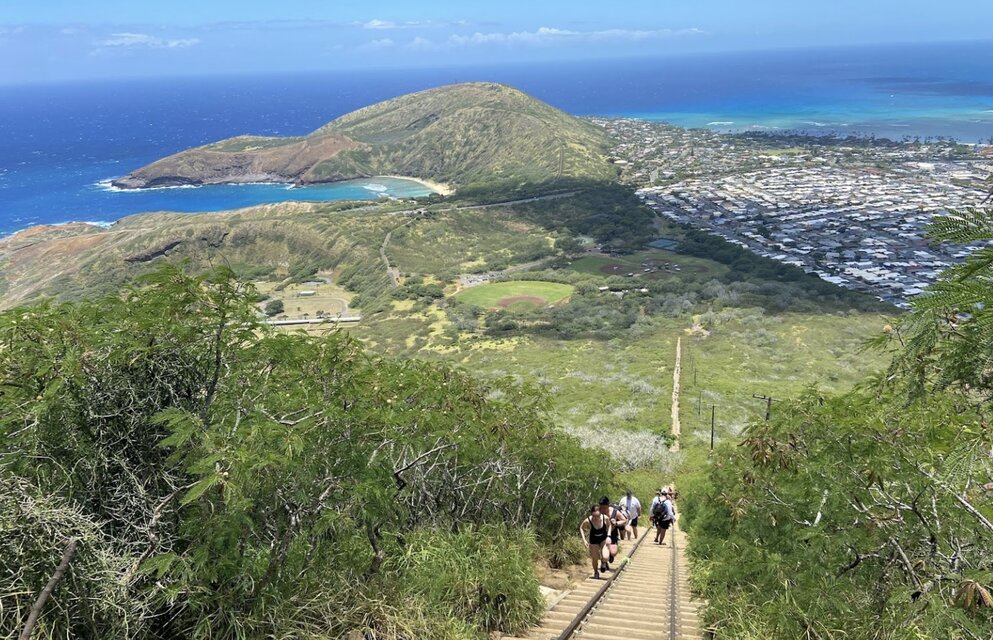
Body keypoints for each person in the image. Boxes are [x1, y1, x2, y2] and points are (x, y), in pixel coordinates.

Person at [580, 502, 611, 580]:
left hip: (603, 539)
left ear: (600, 514)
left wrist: (608, 536)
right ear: (591, 514)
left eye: (597, 516)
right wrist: (584, 540)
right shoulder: (588, 520)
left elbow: (610, 525)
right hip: (593, 540)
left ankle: (604, 562)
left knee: (605, 556)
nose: (595, 518)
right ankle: (596, 572)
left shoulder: (605, 518)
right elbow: (581, 528)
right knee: (595, 558)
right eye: (594, 516)